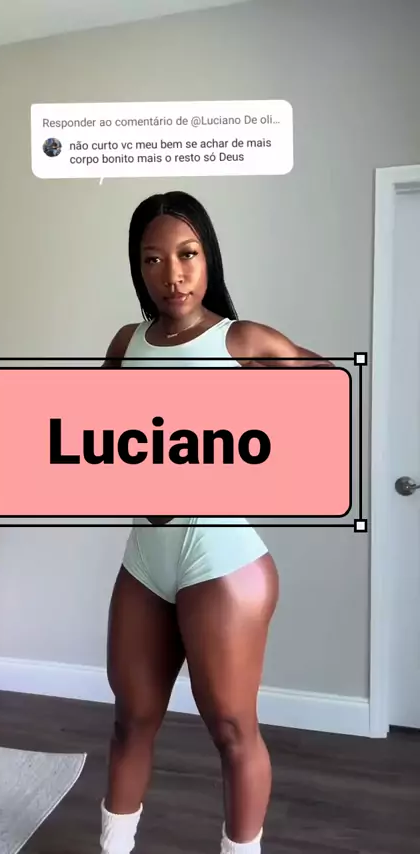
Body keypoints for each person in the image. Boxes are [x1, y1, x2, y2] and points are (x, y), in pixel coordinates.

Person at [99, 191, 332, 854]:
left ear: (208, 258)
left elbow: (330, 392)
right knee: (130, 720)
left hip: (222, 560)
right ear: (138, 267)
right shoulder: (126, 344)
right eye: (153, 259)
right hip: (146, 559)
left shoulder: (241, 340)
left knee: (231, 729)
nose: (171, 274)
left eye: (187, 255)